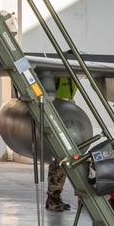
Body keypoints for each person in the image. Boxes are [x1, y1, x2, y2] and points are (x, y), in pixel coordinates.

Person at [45, 75, 78, 211]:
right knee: (57, 160)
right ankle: (53, 197)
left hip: (67, 117)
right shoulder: (56, 75)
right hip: (56, 117)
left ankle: (54, 197)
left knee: (64, 160)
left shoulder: (71, 75)